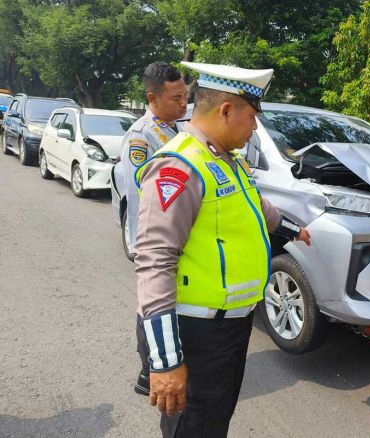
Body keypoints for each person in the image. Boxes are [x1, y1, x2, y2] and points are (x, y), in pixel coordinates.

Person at [133, 61, 310, 437]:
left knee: (214, 425)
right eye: (251, 115)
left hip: (233, 327)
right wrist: (165, 362)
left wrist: (295, 230)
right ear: (226, 110)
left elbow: (257, 210)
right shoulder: (179, 167)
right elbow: (154, 263)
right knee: (194, 428)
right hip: (196, 335)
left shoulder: (228, 160)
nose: (255, 126)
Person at [116, 62, 189, 398]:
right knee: (151, 302)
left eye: (185, 96)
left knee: (168, 301)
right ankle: (148, 370)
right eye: (176, 98)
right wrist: (140, 247)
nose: (184, 104)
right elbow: (137, 196)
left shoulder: (176, 129)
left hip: (177, 236)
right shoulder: (141, 136)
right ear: (152, 98)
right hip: (154, 240)